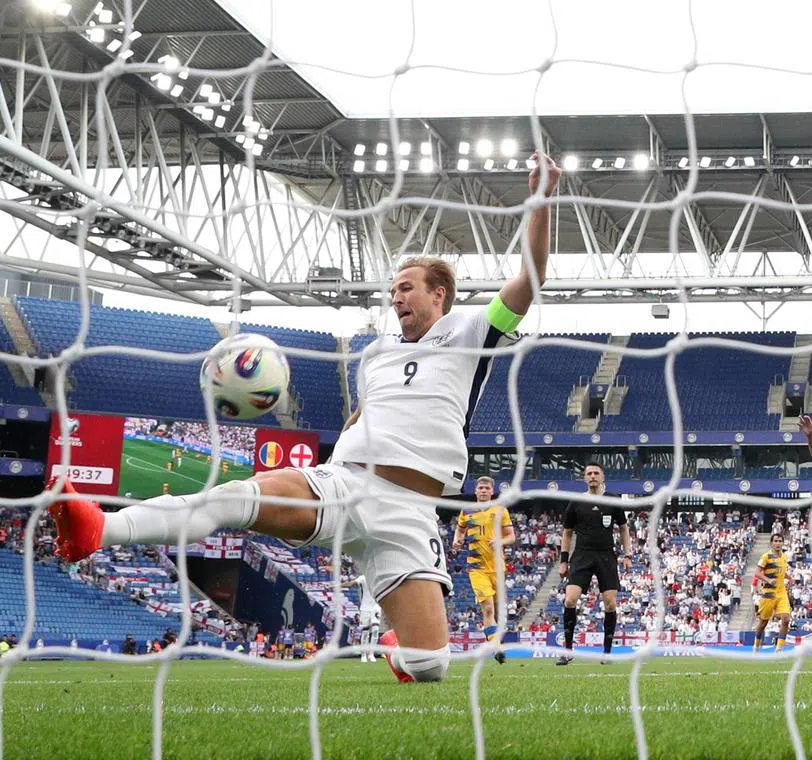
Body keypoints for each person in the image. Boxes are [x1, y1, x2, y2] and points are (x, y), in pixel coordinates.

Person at [51, 155, 562, 682]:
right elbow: (364, 416)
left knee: (429, 665)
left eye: (406, 287)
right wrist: (326, 465)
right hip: (343, 485)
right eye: (392, 291)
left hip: (409, 513)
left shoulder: (472, 331)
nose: (395, 297)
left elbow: (531, 275)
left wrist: (541, 199)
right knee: (233, 499)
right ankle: (99, 527)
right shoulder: (375, 355)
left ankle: (396, 646)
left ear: (439, 294)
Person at [556, 462, 632, 666]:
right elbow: (567, 533)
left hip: (606, 555)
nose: (592, 476)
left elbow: (624, 529)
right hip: (581, 555)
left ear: (602, 477)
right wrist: (563, 561)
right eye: (588, 473)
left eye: (596, 473)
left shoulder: (613, 500)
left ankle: (606, 653)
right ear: (584, 478)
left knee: (610, 603)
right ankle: (568, 650)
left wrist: (628, 555)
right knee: (570, 600)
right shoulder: (576, 502)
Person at [451, 475, 514, 664]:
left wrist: (500, 541)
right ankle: (496, 647)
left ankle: (494, 641)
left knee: (496, 607)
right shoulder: (467, 511)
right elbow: (460, 529)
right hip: (476, 567)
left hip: (497, 566)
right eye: (481, 488)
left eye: (487, 488)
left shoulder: (500, 510)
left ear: (492, 491)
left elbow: (511, 536)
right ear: (476, 491)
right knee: (487, 608)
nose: (484, 491)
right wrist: (457, 540)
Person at [753, 533, 791, 653]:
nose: (778, 543)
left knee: (785, 619)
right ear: (771, 543)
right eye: (776, 541)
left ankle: (779, 649)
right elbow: (757, 573)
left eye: (780, 541)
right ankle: (756, 647)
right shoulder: (766, 557)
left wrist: (790, 578)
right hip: (768, 593)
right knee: (763, 623)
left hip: (781, 593)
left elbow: (781, 572)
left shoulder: (784, 557)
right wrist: (769, 580)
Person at [349, 573, 381, 662]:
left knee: (375, 631)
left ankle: (371, 654)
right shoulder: (363, 578)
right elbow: (352, 583)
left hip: (376, 607)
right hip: (365, 608)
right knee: (365, 632)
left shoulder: (378, 577)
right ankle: (363, 655)